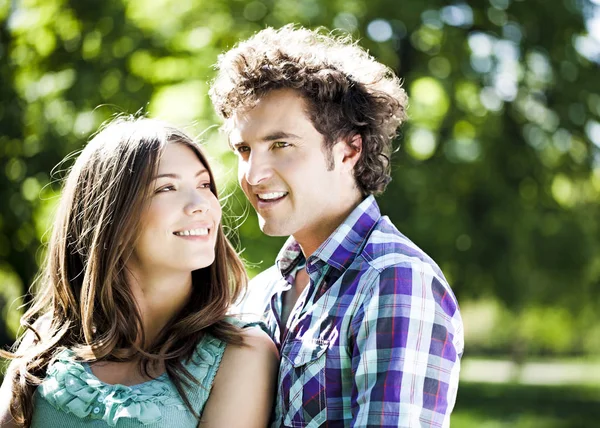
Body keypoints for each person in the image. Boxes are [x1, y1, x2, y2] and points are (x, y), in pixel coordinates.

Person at [209, 25, 464, 427]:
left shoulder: (395, 280)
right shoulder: (259, 294)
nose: (253, 175)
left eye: (281, 145)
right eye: (244, 149)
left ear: (349, 149)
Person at [0, 117, 278, 428]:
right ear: (111, 219)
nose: (201, 204)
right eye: (167, 187)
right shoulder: (48, 340)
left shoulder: (243, 353)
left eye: (204, 184)